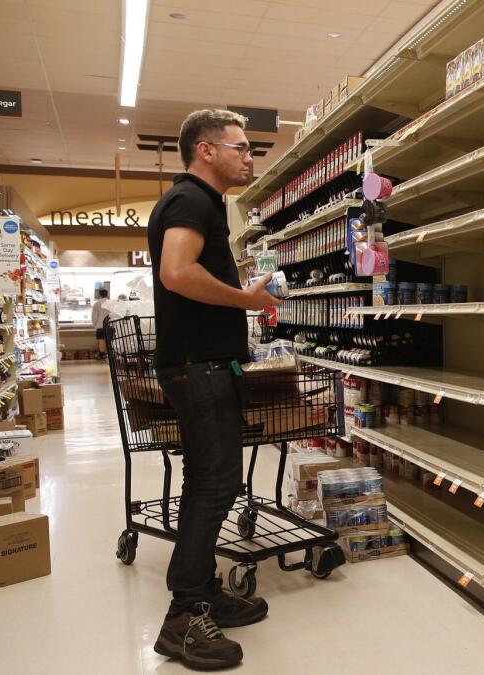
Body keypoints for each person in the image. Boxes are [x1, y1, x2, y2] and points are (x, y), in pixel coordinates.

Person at [147, 109, 282, 670]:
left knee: (207, 480)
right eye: (241, 147)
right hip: (197, 366)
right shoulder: (191, 201)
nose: (250, 156)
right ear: (206, 150)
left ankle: (200, 591)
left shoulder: (204, 205)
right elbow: (175, 273)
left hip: (203, 364)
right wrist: (246, 301)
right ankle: (182, 618)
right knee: (216, 484)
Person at [91, 289, 111, 359]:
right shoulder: (111, 303)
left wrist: (94, 325)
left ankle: (102, 354)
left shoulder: (97, 304)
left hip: (100, 325)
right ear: (107, 294)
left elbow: (94, 316)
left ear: (100, 295)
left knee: (101, 340)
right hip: (110, 325)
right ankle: (110, 354)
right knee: (110, 340)